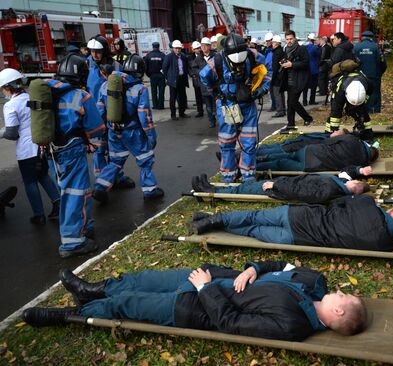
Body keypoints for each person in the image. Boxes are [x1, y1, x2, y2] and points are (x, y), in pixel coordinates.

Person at [23, 261, 368, 341]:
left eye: (342, 294)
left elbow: (232, 324)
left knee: (128, 304)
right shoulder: (312, 285)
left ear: (337, 310)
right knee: (142, 279)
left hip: (196, 306)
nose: (338, 288)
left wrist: (205, 290)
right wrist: (252, 268)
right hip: (209, 278)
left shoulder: (293, 325)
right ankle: (92, 288)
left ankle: (70, 314)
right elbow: (277, 265)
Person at [189, 195, 393, 252]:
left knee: (253, 216)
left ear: (391, 210)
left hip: (299, 216)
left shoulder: (366, 203)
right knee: (252, 230)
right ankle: (208, 222)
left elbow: (337, 203)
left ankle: (209, 220)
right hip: (299, 239)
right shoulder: (384, 242)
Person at [46, 54, 106, 257]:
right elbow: (96, 127)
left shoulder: (48, 93)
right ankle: (72, 243)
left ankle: (83, 226)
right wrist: (92, 141)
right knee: (75, 195)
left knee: (67, 193)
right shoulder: (81, 96)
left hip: (51, 151)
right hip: (72, 151)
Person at [92, 54, 164, 203]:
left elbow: (100, 110)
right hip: (133, 132)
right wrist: (151, 136)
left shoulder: (106, 85)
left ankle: (100, 187)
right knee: (145, 160)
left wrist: (103, 131)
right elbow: (145, 116)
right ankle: (150, 190)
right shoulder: (139, 89)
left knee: (115, 161)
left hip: (113, 131)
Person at [199, 33, 271, 182]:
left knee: (249, 142)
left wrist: (263, 88)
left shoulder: (253, 55)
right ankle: (228, 175)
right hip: (227, 105)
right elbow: (204, 76)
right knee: (226, 142)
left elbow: (268, 68)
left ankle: (248, 175)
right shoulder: (217, 61)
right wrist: (218, 92)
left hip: (248, 104)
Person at [0, 68, 60, 225]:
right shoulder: (30, 97)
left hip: (26, 151)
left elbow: (12, 134)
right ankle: (58, 203)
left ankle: (39, 215)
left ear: (8, 87)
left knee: (30, 182)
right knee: (43, 176)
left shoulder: (10, 106)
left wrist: (1, 133)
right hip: (41, 145)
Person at [86, 36, 133, 188]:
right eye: (92, 51)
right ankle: (102, 181)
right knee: (99, 149)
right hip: (94, 115)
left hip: (113, 112)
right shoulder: (86, 65)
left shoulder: (116, 66)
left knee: (115, 148)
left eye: (98, 51)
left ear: (104, 51)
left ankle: (117, 176)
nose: (95, 55)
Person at [191, 164, 372, 204]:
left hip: (281, 189)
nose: (353, 179)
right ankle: (211, 189)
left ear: (354, 188)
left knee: (247, 189)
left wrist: (275, 186)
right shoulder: (340, 182)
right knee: (246, 186)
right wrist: (360, 170)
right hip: (284, 182)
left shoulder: (332, 189)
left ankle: (208, 193)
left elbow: (300, 191)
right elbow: (347, 170)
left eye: (355, 181)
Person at [256, 132, 379, 173]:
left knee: (287, 155)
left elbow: (329, 141)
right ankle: (256, 167)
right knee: (281, 164)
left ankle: (262, 157)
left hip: (312, 151)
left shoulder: (352, 139)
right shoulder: (360, 163)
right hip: (314, 165)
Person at [279, 30, 313, 131]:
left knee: (293, 101)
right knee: (289, 103)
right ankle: (290, 124)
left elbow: (306, 63)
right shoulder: (286, 49)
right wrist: (283, 63)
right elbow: (288, 61)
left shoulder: (301, 49)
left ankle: (307, 118)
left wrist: (292, 64)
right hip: (289, 80)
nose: (289, 41)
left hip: (298, 80)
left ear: (295, 38)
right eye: (287, 39)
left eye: (291, 39)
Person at [326, 71, 374, 139]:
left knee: (362, 113)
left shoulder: (368, 84)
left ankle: (367, 133)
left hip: (359, 98)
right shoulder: (340, 93)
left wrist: (364, 101)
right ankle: (328, 134)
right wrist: (334, 131)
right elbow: (335, 112)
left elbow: (370, 92)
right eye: (353, 104)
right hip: (339, 92)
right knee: (334, 117)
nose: (354, 106)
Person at [354, 31, 386, 113]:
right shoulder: (376, 47)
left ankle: (361, 109)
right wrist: (379, 73)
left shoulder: (356, 47)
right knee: (375, 92)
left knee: (361, 91)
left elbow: (353, 61)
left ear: (362, 37)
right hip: (374, 75)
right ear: (371, 38)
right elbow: (382, 62)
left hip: (360, 75)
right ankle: (375, 109)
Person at [191, 38, 216, 126]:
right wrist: (201, 73)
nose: (203, 47)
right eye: (202, 45)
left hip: (215, 85)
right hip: (204, 86)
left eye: (206, 45)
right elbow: (194, 69)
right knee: (208, 106)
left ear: (210, 46)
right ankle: (211, 121)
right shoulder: (198, 59)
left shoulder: (215, 57)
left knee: (217, 104)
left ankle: (219, 119)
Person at [162, 40, 189, 120]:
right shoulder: (169, 57)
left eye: (179, 48)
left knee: (182, 97)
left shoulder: (183, 56)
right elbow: (164, 68)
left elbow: (186, 67)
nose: (177, 50)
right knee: (173, 98)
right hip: (173, 80)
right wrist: (169, 78)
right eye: (176, 48)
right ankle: (173, 115)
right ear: (173, 48)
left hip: (181, 79)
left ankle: (182, 113)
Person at [144, 42, 166, 110]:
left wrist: (149, 74)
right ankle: (161, 105)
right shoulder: (162, 55)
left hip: (152, 75)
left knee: (153, 91)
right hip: (161, 75)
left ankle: (155, 105)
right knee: (161, 91)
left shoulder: (148, 55)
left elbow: (145, 67)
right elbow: (165, 66)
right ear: (159, 47)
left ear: (152, 47)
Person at [270, 34, 286, 117]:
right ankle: (283, 109)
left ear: (276, 43)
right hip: (282, 75)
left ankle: (280, 110)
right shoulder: (282, 51)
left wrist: (273, 78)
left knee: (277, 94)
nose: (272, 44)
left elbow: (275, 67)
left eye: (273, 42)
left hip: (277, 76)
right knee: (281, 93)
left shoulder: (276, 53)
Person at [303, 33, 320, 106]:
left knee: (305, 87)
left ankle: (304, 101)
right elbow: (319, 55)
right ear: (314, 40)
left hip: (306, 68)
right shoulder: (315, 48)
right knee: (313, 86)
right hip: (314, 69)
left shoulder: (305, 47)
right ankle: (311, 100)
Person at [189, 41, 205, 118]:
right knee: (198, 96)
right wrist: (192, 74)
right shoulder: (190, 58)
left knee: (207, 95)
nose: (198, 49)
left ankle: (211, 111)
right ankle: (200, 111)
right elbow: (189, 68)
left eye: (199, 48)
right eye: (196, 48)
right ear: (193, 49)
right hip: (196, 79)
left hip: (204, 78)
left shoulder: (203, 56)